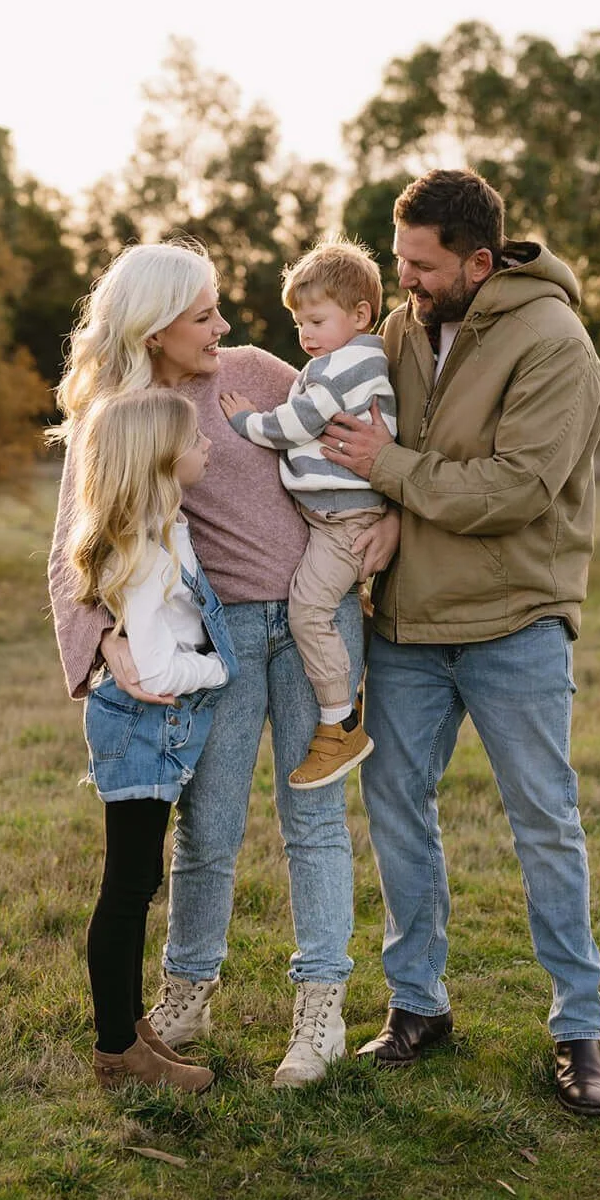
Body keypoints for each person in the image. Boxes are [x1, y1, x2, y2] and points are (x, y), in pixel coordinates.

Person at [48, 242, 398, 1088]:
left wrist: (393, 517)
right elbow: (74, 545)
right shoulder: (122, 415)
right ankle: (189, 990)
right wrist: (102, 643)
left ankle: (319, 1009)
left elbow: (365, 432)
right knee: (207, 827)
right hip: (226, 636)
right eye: (204, 314)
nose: (225, 326)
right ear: (155, 327)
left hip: (318, 615)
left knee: (311, 818)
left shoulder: (258, 371)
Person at [323, 169, 600, 1116]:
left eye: (419, 263)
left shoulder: (554, 344)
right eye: (398, 258)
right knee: (398, 809)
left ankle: (578, 1026)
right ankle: (418, 1007)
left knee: (545, 822)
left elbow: (515, 489)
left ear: (479, 262)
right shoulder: (406, 327)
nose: (400, 278)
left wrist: (390, 470)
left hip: (516, 623)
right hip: (405, 623)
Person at [63, 387, 236, 1091]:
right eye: (194, 442)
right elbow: (160, 667)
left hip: (147, 728)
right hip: (142, 726)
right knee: (128, 884)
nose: (207, 448)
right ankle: (116, 1051)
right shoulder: (144, 552)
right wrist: (218, 665)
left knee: (139, 879)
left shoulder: (163, 527)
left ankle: (131, 1028)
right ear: (162, 460)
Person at [219, 240, 397, 790]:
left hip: (344, 522)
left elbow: (294, 424)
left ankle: (339, 722)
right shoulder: (352, 361)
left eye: (317, 320)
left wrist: (247, 421)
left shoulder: (340, 370)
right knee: (319, 603)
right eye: (300, 323)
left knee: (308, 613)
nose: (306, 335)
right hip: (336, 519)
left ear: (361, 314)